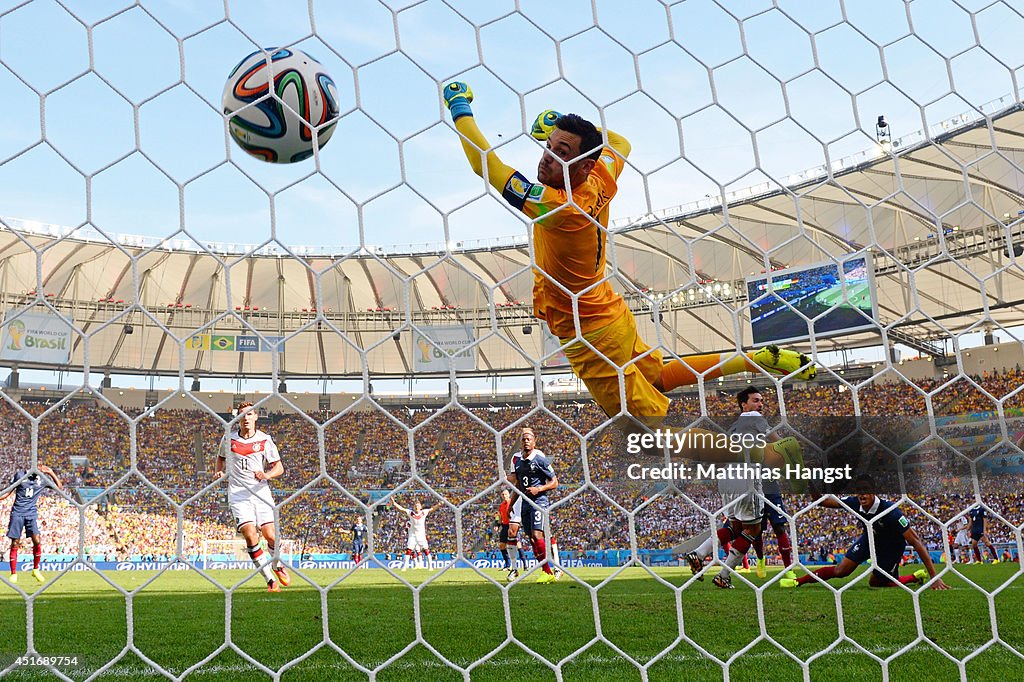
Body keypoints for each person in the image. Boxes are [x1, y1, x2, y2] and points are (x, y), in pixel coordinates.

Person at [442, 82, 815, 460]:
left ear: (584, 164)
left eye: (562, 153)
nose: (547, 158)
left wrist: (459, 106)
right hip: (609, 312)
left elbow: (482, 163)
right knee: (655, 377)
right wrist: (557, 123)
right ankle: (755, 358)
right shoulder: (601, 176)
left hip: (589, 335)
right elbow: (621, 144)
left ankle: (771, 455)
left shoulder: (557, 208)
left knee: (646, 437)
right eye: (548, 147)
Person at [685, 387, 771, 589]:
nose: (760, 405)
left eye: (761, 402)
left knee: (735, 527)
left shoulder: (733, 426)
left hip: (727, 478)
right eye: (756, 400)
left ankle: (698, 553)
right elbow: (776, 441)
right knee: (754, 528)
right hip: (746, 478)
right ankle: (724, 575)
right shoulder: (755, 418)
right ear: (744, 404)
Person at [781, 490, 949, 590]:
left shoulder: (890, 511)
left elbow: (916, 542)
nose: (861, 494)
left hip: (890, 547)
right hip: (870, 538)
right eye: (858, 489)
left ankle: (914, 577)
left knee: (876, 583)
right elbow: (823, 502)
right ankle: (797, 582)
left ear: (873, 491)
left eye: (865, 490)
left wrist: (935, 577)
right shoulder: (854, 502)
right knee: (841, 571)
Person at [214, 401, 290, 593]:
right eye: (242, 415)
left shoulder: (265, 440)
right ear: (238, 418)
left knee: (270, 535)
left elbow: (279, 467)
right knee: (250, 535)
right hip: (239, 494)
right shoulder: (229, 439)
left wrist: (267, 475)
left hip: (261, 492)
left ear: (255, 417)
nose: (246, 418)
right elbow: (221, 458)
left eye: (249, 414)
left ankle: (277, 564)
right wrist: (219, 472)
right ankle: (270, 580)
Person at [508, 428, 559, 584]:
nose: (526, 441)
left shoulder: (540, 459)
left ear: (534, 441)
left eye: (529, 438)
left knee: (537, 535)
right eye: (523, 439)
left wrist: (539, 489)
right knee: (531, 538)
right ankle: (546, 571)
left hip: (539, 502)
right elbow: (518, 485)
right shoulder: (518, 463)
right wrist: (511, 504)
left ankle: (548, 571)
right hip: (524, 503)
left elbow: (555, 482)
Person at [0, 465, 62, 584]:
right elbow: (8, 492)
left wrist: (51, 472)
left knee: (37, 540)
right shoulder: (20, 475)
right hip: (17, 513)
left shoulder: (43, 479)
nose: (41, 468)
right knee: (15, 542)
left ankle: (36, 569)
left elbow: (59, 488)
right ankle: (13, 573)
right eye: (38, 466)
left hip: (31, 513)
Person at [392, 499, 433, 570]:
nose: (416, 507)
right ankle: (404, 567)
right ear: (413, 507)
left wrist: (440, 504)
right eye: (415, 506)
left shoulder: (424, 512)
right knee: (409, 550)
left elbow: (432, 509)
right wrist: (394, 503)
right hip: (413, 535)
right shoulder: (410, 513)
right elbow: (402, 509)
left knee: (426, 550)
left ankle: (430, 566)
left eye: (418, 506)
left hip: (421, 535)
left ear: (420, 507)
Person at [497, 489, 512, 571]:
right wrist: (497, 525)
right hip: (505, 526)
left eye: (505, 494)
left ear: (508, 495)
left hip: (512, 525)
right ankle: (507, 564)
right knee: (502, 545)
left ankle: (524, 565)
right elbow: (500, 517)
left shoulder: (512, 502)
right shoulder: (501, 505)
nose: (504, 496)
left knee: (517, 545)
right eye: (502, 494)